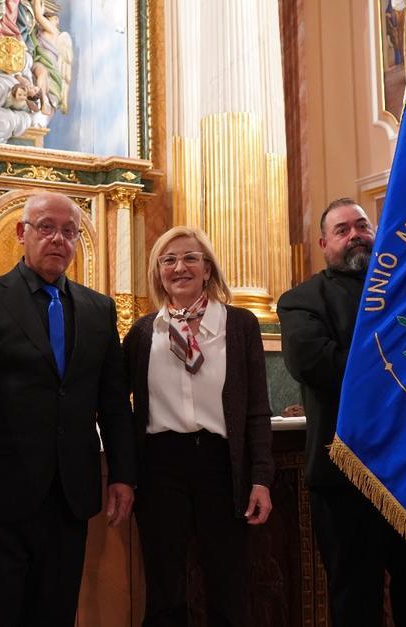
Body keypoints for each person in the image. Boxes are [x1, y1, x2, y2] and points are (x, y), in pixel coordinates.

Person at [0, 191, 136, 626]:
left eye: (69, 231)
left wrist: (122, 475)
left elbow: (114, 403)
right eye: (46, 227)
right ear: (22, 233)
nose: (58, 239)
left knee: (54, 616)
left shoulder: (98, 310)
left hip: (68, 498)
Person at [276, 197, 406, 626]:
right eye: (342, 230)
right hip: (344, 474)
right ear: (324, 244)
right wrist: (398, 362)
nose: (355, 235)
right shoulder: (300, 300)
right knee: (354, 596)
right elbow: (314, 364)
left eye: (362, 226)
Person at [123, 226, 274, 627]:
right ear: (159, 272)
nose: (179, 267)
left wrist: (261, 478)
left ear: (207, 269)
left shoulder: (240, 325)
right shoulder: (143, 333)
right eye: (168, 260)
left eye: (190, 257)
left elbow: (257, 409)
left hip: (221, 465)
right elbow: (120, 407)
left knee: (229, 587)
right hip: (160, 466)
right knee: (164, 589)